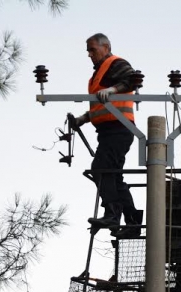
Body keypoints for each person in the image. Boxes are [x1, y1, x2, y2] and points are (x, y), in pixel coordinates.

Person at [72, 33, 142, 238]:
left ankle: (112, 213)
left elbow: (131, 80)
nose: (89, 54)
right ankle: (133, 222)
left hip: (118, 129)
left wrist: (112, 89)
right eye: (88, 50)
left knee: (100, 169)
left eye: (92, 49)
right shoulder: (97, 76)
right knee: (113, 176)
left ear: (106, 47)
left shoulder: (115, 63)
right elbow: (101, 106)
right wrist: (83, 119)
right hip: (108, 131)